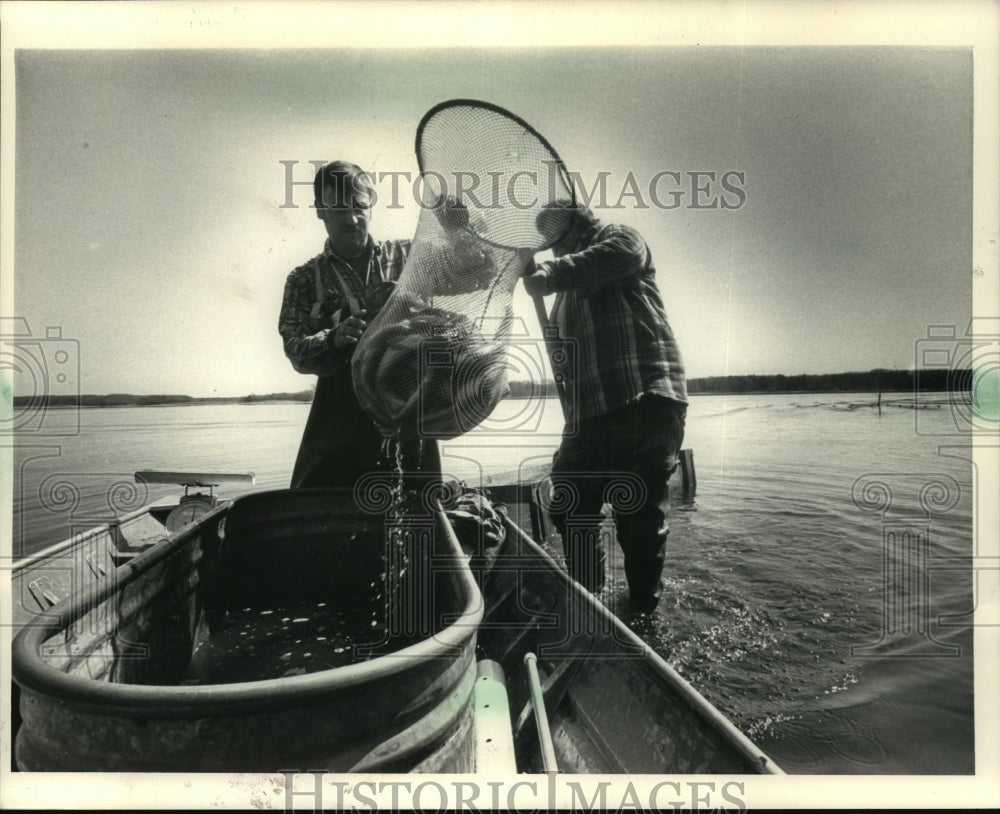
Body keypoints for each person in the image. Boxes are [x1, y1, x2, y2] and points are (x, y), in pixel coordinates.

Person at [523, 204, 687, 614]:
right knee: (567, 505)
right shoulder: (564, 293)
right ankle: (592, 601)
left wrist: (549, 276)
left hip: (642, 402)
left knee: (637, 524)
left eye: (554, 238)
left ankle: (642, 615)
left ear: (576, 223)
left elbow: (615, 257)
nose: (552, 250)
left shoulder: (619, 239)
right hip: (588, 417)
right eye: (545, 244)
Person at [279, 161, 440, 490]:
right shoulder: (303, 279)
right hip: (339, 425)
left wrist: (465, 231)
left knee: (422, 515)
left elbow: (468, 272)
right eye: (339, 210)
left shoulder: (411, 256)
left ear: (372, 202)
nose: (352, 219)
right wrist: (333, 339)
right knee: (326, 516)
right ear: (320, 211)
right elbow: (295, 351)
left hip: (408, 413)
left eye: (359, 206)